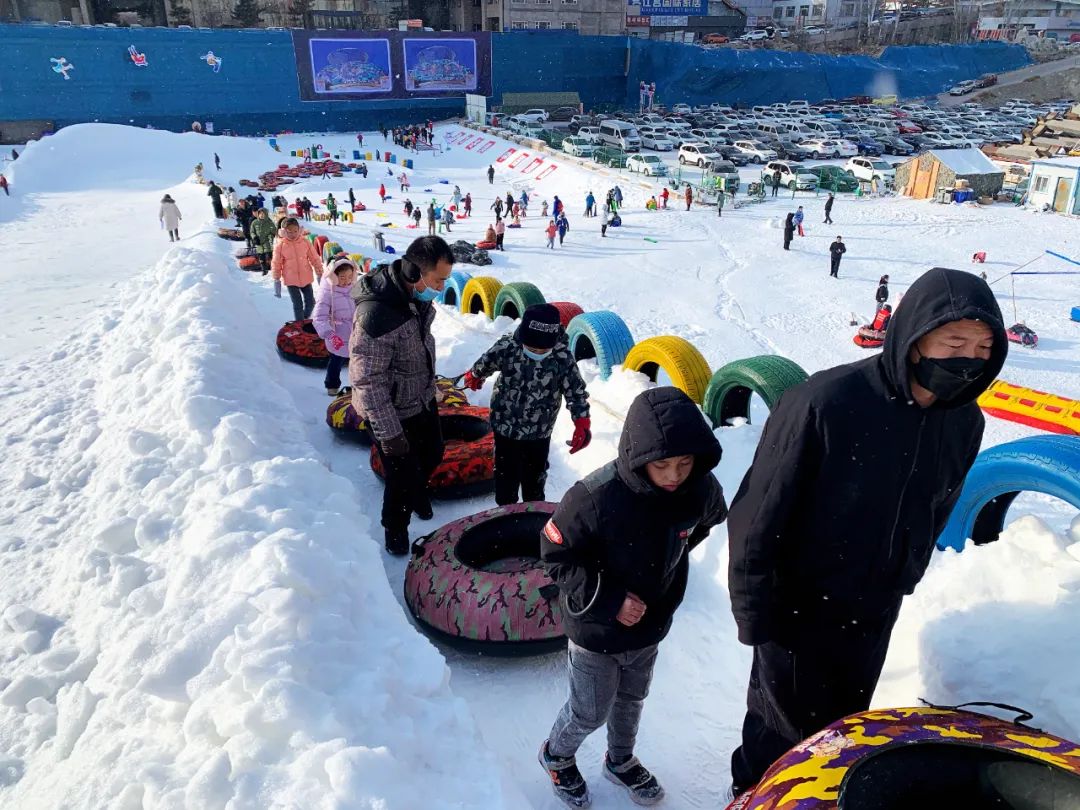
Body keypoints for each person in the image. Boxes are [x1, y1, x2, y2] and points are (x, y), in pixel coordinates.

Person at [726, 267, 1007, 796]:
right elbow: (757, 513)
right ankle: (752, 797)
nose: (969, 357)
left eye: (982, 345)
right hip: (796, 607)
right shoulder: (826, 402)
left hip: (875, 605)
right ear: (914, 339)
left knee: (844, 727)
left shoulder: (965, 421)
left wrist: (907, 570)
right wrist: (754, 611)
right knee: (780, 732)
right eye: (954, 341)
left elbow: (938, 504)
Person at [539, 387, 728, 809]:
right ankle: (557, 753)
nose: (674, 475)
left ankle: (620, 760)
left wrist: (668, 565)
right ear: (639, 456)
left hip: (651, 624)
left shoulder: (700, 488)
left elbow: (706, 522)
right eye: (662, 465)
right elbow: (554, 555)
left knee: (631, 698)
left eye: (684, 462)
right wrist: (610, 600)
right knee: (590, 709)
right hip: (596, 629)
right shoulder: (594, 498)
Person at [350, 236, 455, 555]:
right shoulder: (376, 315)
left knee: (433, 453)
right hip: (390, 411)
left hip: (420, 399)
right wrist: (390, 434)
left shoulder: (418, 298)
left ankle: (417, 490)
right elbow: (367, 381)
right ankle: (394, 526)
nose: (441, 286)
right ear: (414, 272)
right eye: (439, 279)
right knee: (401, 475)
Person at [462, 304, 590, 505]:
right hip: (505, 426)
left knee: (535, 474)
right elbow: (487, 360)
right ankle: (505, 508)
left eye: (543, 349)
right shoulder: (508, 347)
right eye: (531, 348)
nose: (537, 352)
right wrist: (475, 375)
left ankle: (533, 506)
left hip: (540, 430)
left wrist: (582, 421)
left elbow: (576, 392)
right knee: (506, 472)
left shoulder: (562, 358)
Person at [313, 256, 358, 396]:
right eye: (342, 277)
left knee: (358, 364)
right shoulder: (327, 293)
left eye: (350, 277)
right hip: (337, 336)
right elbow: (319, 317)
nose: (347, 281)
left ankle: (358, 388)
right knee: (336, 362)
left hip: (356, 335)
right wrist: (330, 334)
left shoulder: (355, 289)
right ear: (334, 276)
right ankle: (332, 385)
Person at [271, 217, 322, 322]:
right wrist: (276, 278)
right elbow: (276, 263)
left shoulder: (305, 242)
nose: (293, 234)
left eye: (295, 231)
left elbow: (314, 257)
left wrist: (319, 271)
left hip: (306, 277)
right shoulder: (280, 246)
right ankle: (299, 324)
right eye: (289, 232)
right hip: (291, 280)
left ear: (299, 230)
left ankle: (304, 317)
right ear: (284, 232)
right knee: (297, 304)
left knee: (311, 302)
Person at [250, 208, 277, 274]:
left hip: (267, 242)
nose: (261, 215)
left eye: (263, 214)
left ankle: (274, 268)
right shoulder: (254, 222)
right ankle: (264, 269)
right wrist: (254, 237)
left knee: (269, 255)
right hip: (259, 242)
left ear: (266, 214)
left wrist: (271, 236)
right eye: (260, 214)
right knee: (261, 256)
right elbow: (252, 232)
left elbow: (274, 232)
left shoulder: (270, 223)